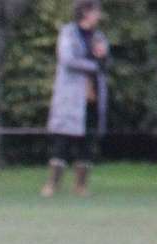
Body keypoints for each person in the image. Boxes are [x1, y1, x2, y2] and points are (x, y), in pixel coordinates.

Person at [43, 0, 108, 198]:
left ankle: (81, 186)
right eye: (96, 11)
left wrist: (102, 57)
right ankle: (53, 185)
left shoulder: (99, 36)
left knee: (87, 141)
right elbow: (68, 60)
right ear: (86, 12)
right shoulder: (68, 33)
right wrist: (94, 65)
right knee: (62, 140)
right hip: (71, 97)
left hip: (92, 97)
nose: (98, 15)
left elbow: (105, 62)